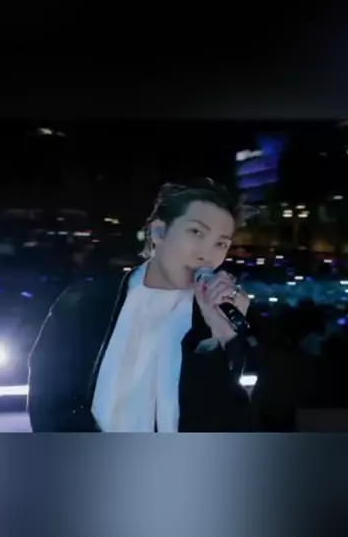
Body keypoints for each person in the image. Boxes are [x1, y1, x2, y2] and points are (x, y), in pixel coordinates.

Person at [27, 178, 301, 432]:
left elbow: (232, 420)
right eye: (196, 232)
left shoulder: (219, 316)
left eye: (221, 243)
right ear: (159, 231)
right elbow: (49, 402)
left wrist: (221, 338)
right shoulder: (89, 302)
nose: (206, 254)